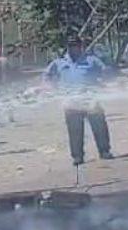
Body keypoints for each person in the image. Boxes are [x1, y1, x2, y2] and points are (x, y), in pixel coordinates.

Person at [43, 37, 114, 166]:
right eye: (70, 46)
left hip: (90, 98)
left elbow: (106, 72)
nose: (73, 48)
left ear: (80, 46)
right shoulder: (59, 63)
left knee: (99, 126)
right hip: (71, 100)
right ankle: (77, 156)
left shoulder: (92, 60)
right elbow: (47, 76)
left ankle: (104, 151)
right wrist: (52, 88)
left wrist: (103, 84)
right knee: (74, 130)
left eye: (75, 45)